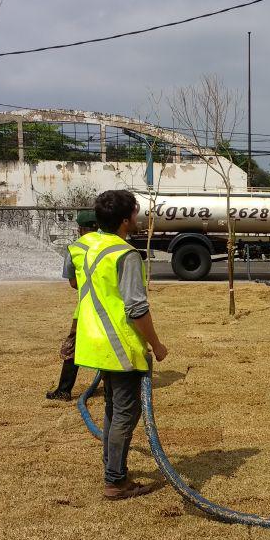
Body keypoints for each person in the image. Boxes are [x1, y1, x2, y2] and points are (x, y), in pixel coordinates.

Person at [73, 190, 167, 501]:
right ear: (125, 220)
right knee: (125, 414)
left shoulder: (81, 246)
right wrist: (157, 345)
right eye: (136, 215)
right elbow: (136, 308)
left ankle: (113, 470)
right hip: (119, 343)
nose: (139, 219)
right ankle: (115, 480)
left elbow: (73, 281)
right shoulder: (125, 255)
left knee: (114, 409)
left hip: (92, 342)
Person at [46, 210, 99, 401]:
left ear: (79, 229)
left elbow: (73, 283)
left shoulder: (75, 249)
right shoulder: (112, 246)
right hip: (112, 310)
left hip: (85, 310)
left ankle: (64, 390)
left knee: (72, 348)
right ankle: (114, 388)